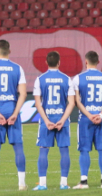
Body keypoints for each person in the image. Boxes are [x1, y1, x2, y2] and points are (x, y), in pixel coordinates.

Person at [0, 39, 28, 192]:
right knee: (18, 147)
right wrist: (15, 113)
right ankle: (22, 184)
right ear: (9, 51)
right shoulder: (18, 68)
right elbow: (22, 94)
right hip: (12, 109)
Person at [71, 51, 102, 190]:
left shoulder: (78, 78)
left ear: (86, 61)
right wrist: (100, 115)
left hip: (85, 119)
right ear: (98, 62)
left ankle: (84, 182)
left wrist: (89, 115)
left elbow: (76, 100)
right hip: (101, 119)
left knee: (84, 150)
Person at [32, 51, 76, 191]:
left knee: (43, 150)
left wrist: (46, 120)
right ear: (59, 62)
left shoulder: (40, 79)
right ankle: (64, 183)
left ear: (46, 62)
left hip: (47, 120)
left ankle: (42, 184)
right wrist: (63, 120)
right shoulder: (67, 79)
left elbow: (38, 104)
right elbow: (71, 103)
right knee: (64, 151)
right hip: (62, 121)